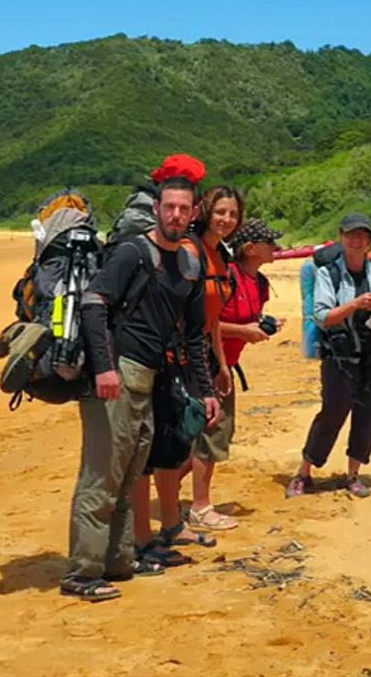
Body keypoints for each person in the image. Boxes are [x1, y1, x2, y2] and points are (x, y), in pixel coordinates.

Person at [62, 174, 221, 602]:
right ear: (157, 210)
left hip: (150, 379)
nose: (175, 215)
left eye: (184, 209)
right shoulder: (134, 253)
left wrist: (205, 390)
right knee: (101, 476)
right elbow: (94, 304)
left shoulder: (186, 266)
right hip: (116, 378)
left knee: (132, 473)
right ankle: (82, 572)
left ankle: (118, 559)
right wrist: (104, 368)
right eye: (168, 207)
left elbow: (193, 337)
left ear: (193, 214)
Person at [134, 185, 238, 552]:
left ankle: (172, 520)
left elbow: (208, 322)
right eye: (220, 211)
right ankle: (164, 524)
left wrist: (220, 366)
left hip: (196, 357)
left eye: (232, 214)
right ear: (205, 211)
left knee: (182, 440)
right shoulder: (193, 251)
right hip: (171, 359)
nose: (226, 219)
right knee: (169, 442)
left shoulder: (216, 255)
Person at [286, 213, 371, 498]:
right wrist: (355, 304)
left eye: (363, 236)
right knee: (333, 413)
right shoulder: (327, 273)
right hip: (340, 356)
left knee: (367, 413)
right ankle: (305, 472)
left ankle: (353, 475)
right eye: (351, 235)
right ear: (342, 237)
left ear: (370, 241)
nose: (357, 240)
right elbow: (322, 315)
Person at [188, 217, 284, 530]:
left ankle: (176, 493)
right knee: (212, 434)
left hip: (225, 363)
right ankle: (200, 506)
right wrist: (243, 331)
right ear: (250, 248)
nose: (277, 248)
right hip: (207, 364)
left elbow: (247, 319)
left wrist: (261, 326)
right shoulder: (228, 276)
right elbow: (207, 321)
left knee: (213, 435)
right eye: (270, 243)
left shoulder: (259, 283)